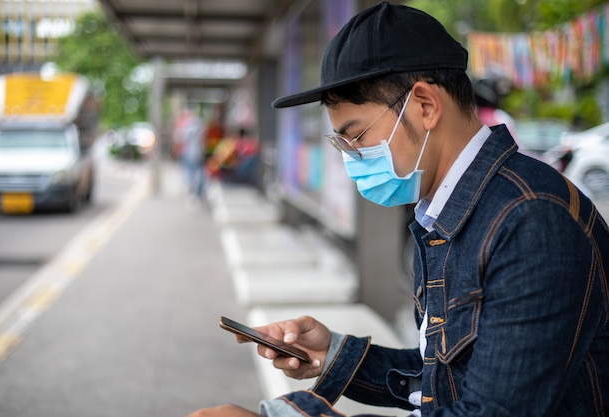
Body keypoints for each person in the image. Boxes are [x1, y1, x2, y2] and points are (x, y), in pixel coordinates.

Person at [187, 2, 609, 416]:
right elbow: (449, 375)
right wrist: (335, 355)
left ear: (425, 105)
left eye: (356, 136)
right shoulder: (445, 210)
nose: (350, 157)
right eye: (342, 143)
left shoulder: (530, 220)